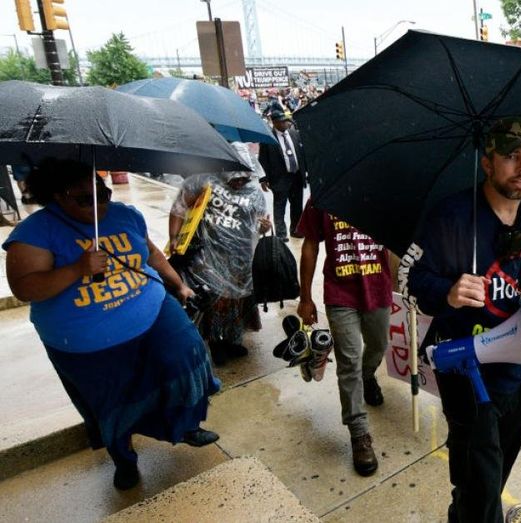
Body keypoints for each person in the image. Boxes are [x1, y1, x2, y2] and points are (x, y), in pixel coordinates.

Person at [2, 159, 220, 491]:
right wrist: (77, 269)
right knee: (114, 399)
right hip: (84, 337)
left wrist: (179, 285)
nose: (99, 203)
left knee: (185, 358)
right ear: (57, 196)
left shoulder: (126, 215)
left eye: (101, 193)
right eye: (84, 198)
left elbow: (152, 255)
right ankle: (124, 459)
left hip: (150, 307)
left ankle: (185, 424)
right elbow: (25, 288)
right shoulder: (33, 234)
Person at [401, 118, 521, 522]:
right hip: (467, 375)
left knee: (494, 474)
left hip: (517, 373)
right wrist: (449, 291)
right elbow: (410, 280)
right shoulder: (452, 216)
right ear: (487, 163)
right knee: (482, 486)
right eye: (511, 156)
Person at [296, 202, 393, 477]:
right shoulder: (323, 195)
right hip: (340, 293)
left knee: (378, 346)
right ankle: (359, 433)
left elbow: (401, 242)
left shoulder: (384, 191)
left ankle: (368, 375)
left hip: (378, 288)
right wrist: (305, 297)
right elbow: (310, 245)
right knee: (348, 361)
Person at [168, 143, 271, 366]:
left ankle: (233, 340)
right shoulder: (203, 180)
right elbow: (179, 208)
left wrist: (264, 227)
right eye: (235, 177)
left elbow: (260, 224)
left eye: (244, 177)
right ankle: (216, 343)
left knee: (236, 301)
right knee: (215, 299)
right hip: (208, 254)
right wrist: (175, 237)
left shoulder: (254, 192)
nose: (239, 181)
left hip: (240, 257)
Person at [258, 106, 307, 242]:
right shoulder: (268, 139)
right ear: (274, 122)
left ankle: (296, 229)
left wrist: (306, 172)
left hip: (296, 175)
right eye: (282, 121)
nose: (286, 123)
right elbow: (262, 159)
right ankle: (280, 233)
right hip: (279, 177)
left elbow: (302, 155)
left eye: (286, 121)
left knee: (297, 205)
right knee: (280, 206)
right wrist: (263, 178)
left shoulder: (294, 134)